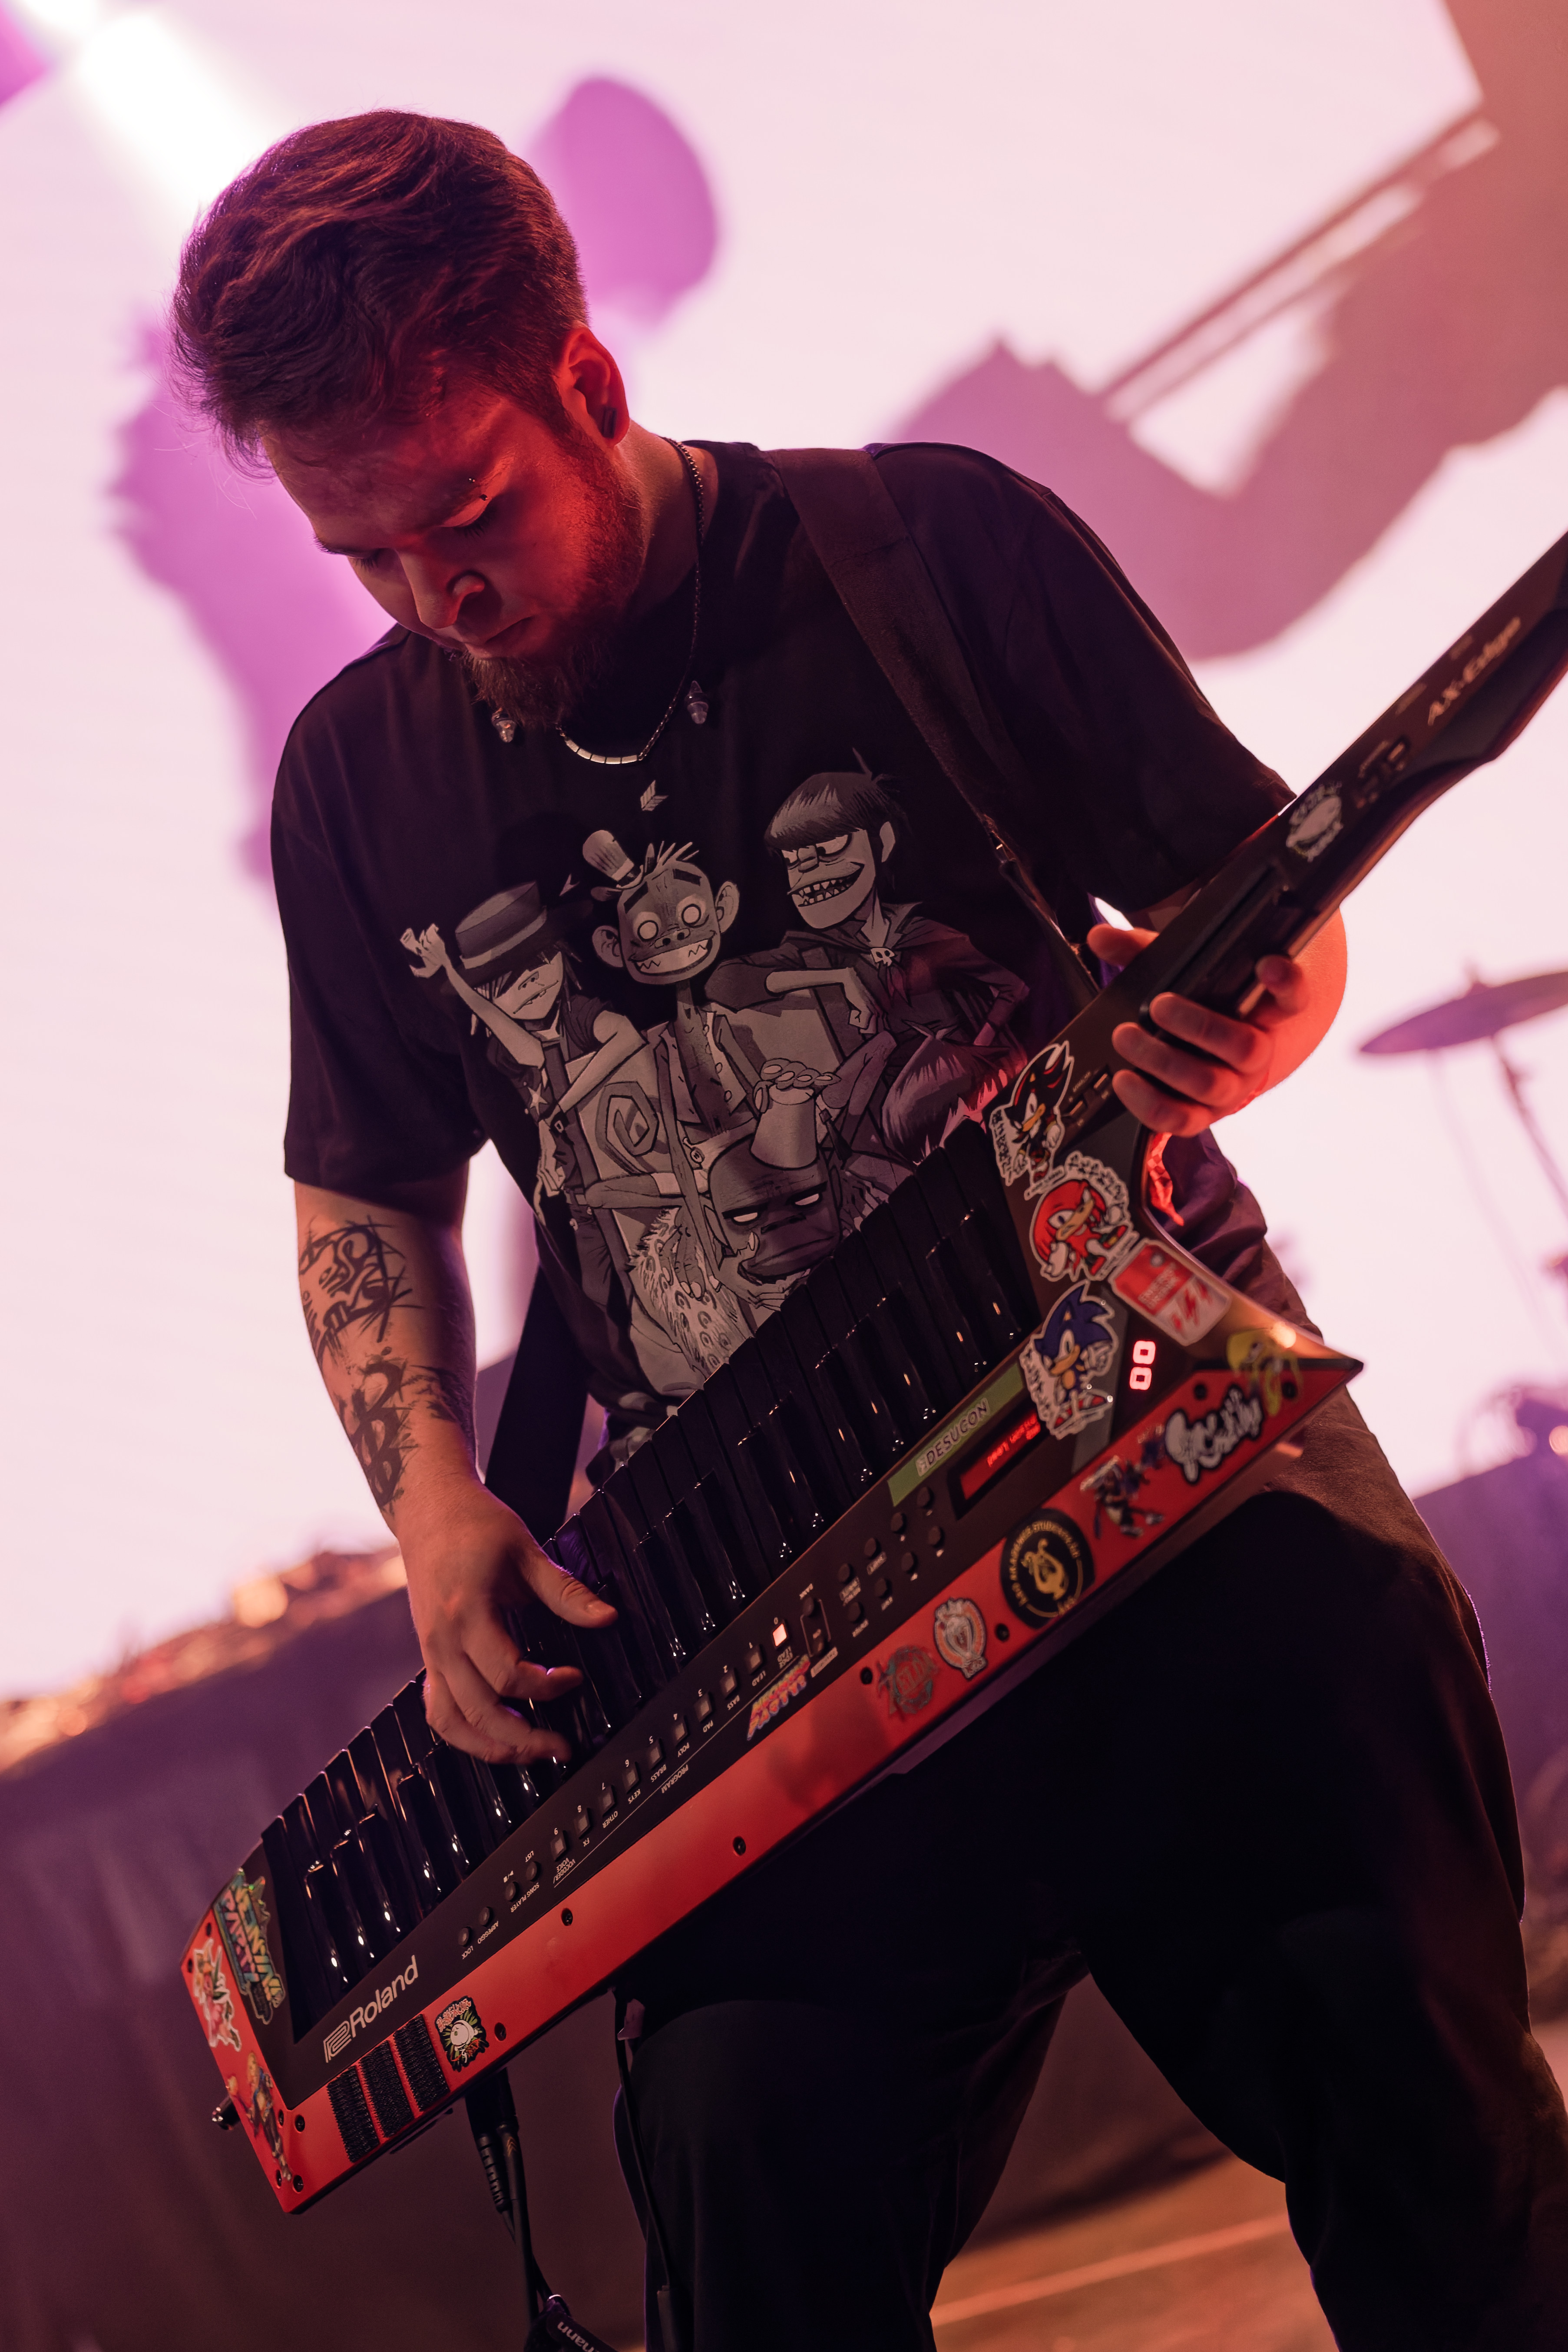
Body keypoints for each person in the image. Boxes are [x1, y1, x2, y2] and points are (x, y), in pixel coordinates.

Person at [171, 111, 1568, 2351]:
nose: (437, 598)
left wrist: (1241, 1032)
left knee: (1445, 2172)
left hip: (1154, 1460)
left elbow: (1273, 922)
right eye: (368, 557)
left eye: (472, 516)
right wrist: (430, 1506)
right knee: (750, 2209)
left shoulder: (926, 547)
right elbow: (365, 1182)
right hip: (766, 1611)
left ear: (589, 385)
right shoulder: (356, 780)